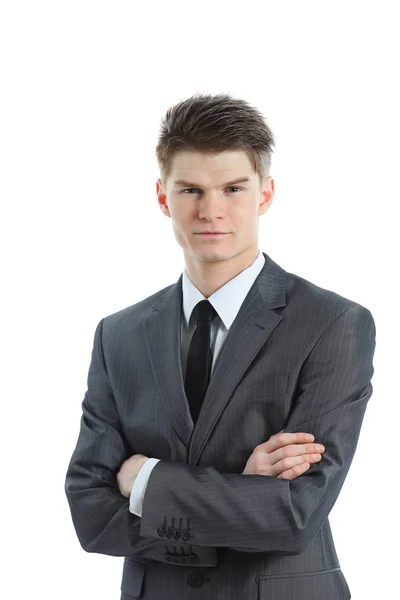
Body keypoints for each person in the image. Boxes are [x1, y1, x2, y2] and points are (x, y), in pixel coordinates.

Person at [65, 92, 376, 600]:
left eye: (233, 188)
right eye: (191, 190)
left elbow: (295, 513)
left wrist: (147, 482)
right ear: (163, 197)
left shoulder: (333, 324)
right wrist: (241, 489)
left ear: (266, 194)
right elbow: (89, 512)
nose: (212, 211)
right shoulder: (117, 334)